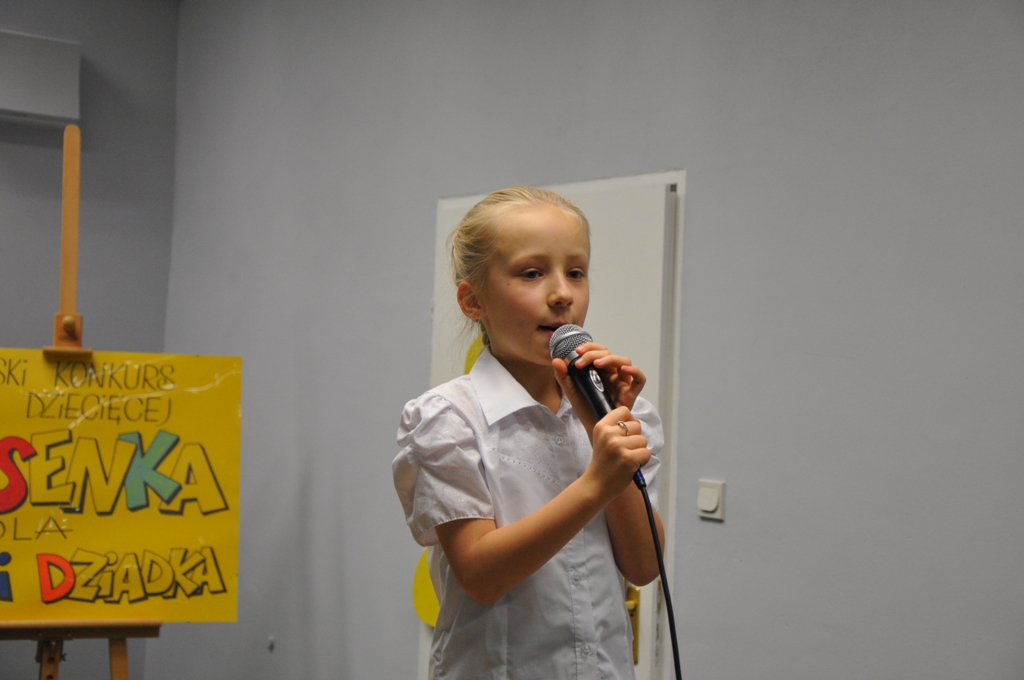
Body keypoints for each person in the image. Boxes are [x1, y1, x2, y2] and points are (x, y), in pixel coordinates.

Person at [393, 186, 666, 679]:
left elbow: (645, 567)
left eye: (576, 272)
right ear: (473, 300)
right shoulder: (448, 417)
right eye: (532, 273)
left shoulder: (622, 411)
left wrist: (606, 430)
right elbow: (480, 575)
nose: (562, 293)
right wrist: (596, 482)